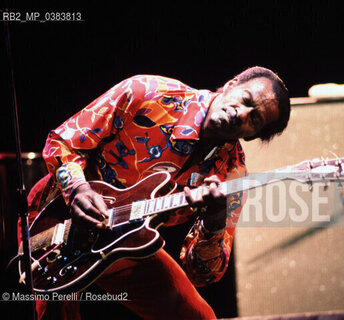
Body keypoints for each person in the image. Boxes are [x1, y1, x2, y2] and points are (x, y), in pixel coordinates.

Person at [24, 66, 290, 319]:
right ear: (231, 85)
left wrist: (215, 220)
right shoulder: (149, 91)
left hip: (126, 241)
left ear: (253, 135)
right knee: (46, 311)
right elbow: (62, 142)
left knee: (198, 317)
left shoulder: (231, 174)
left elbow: (203, 273)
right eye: (245, 99)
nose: (240, 114)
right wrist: (78, 189)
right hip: (58, 219)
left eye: (254, 119)